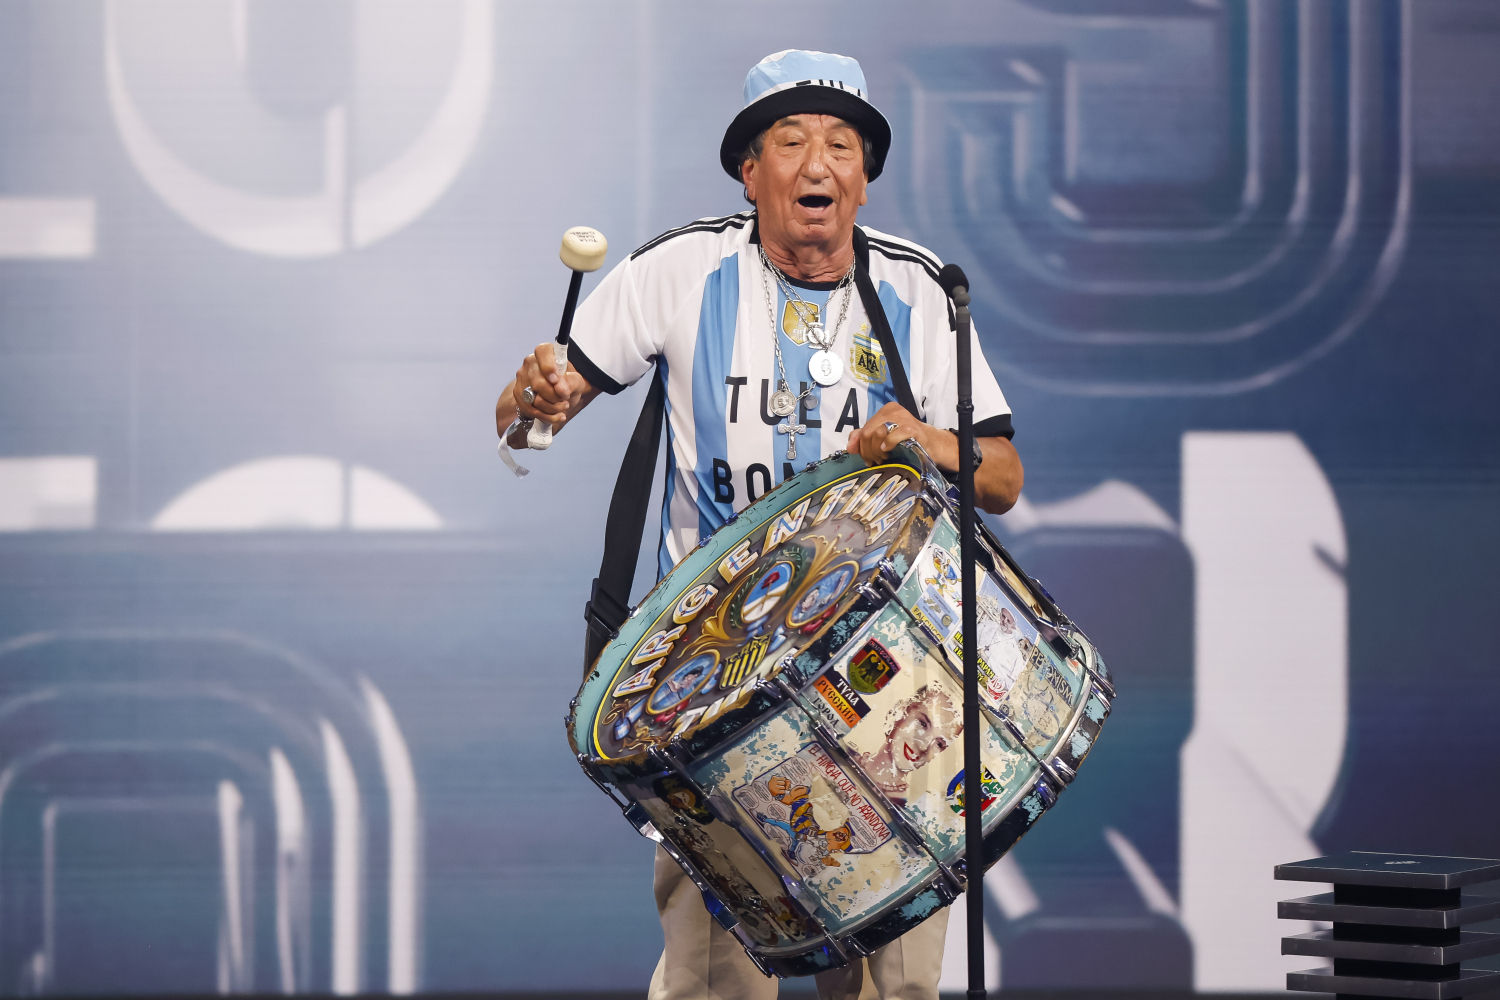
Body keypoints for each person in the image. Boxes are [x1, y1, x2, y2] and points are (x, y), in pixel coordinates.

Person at [496, 48, 1023, 1000]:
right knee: (714, 983)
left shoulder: (918, 292)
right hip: (712, 692)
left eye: (841, 145)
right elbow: (536, 411)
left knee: (895, 987)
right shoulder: (680, 269)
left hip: (886, 692)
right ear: (751, 171)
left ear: (864, 178)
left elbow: (1004, 476)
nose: (817, 163)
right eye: (790, 142)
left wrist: (931, 442)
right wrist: (530, 397)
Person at [855, 685, 964, 804]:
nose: (923, 747)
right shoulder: (844, 753)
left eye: (939, 743)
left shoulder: (902, 807)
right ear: (902, 710)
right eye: (922, 723)